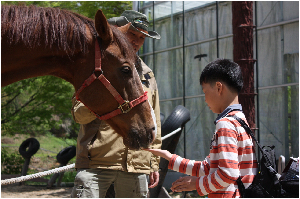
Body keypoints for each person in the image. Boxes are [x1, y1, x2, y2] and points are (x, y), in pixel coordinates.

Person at [71, 10, 161, 198]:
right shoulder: (97, 68)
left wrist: (153, 163)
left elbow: (155, 121)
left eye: (142, 37)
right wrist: (109, 98)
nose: (136, 41)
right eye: (132, 34)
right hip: (97, 162)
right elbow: (79, 115)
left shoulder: (147, 74)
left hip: (136, 164)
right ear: (117, 32)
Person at [145, 59, 258, 198]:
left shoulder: (226, 124)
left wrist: (197, 184)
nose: (205, 99)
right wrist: (170, 159)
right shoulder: (240, 121)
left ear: (218, 87)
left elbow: (228, 173)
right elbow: (208, 168)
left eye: (205, 92)